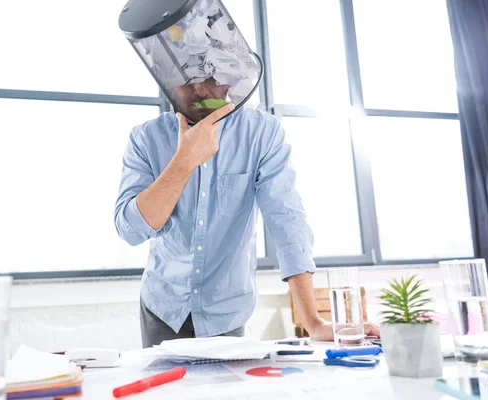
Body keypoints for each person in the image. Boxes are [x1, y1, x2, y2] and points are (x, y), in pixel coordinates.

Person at [114, 78, 380, 348]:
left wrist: (313, 322)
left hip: (226, 313)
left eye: (209, 77)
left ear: (230, 80)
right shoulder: (145, 138)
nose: (199, 89)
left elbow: (287, 221)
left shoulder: (261, 133)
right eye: (187, 78)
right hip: (163, 308)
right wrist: (184, 161)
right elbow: (130, 230)